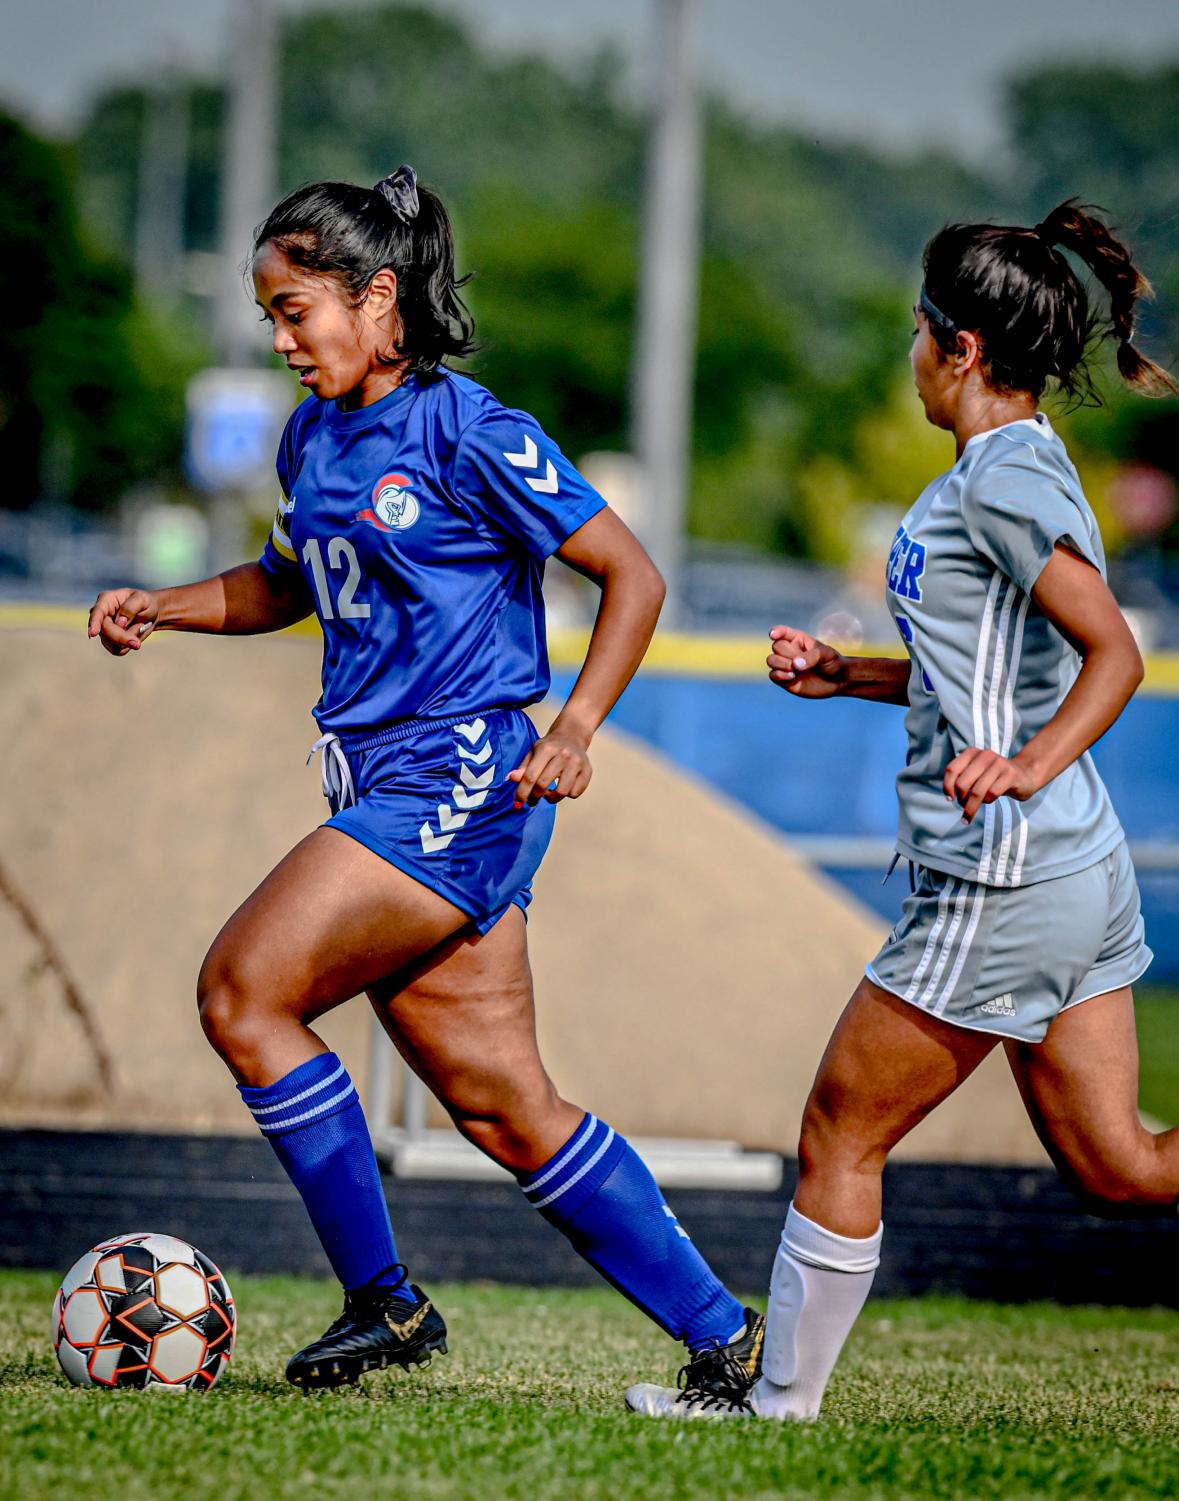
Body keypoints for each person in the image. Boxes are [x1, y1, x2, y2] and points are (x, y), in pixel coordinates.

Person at [88, 166, 763, 1397]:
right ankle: (727, 1338)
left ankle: (385, 1302)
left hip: (462, 773)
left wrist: (578, 726)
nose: (283, 340)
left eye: (298, 311)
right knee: (505, 1105)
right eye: (271, 317)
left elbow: (634, 575)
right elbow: (289, 585)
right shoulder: (314, 434)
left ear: (377, 295)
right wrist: (165, 606)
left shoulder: (469, 426)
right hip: (384, 783)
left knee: (244, 990)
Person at [627, 199, 1177, 1420]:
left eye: (918, 332)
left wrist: (1026, 766)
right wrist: (847, 675)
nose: (912, 354)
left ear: (961, 348)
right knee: (1123, 1165)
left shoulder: (1004, 477)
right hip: (1066, 871)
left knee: (838, 1128)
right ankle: (777, 1396)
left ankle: (775, 1403)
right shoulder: (1005, 472)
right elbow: (992, 665)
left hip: (1006, 872)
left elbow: (1116, 653)